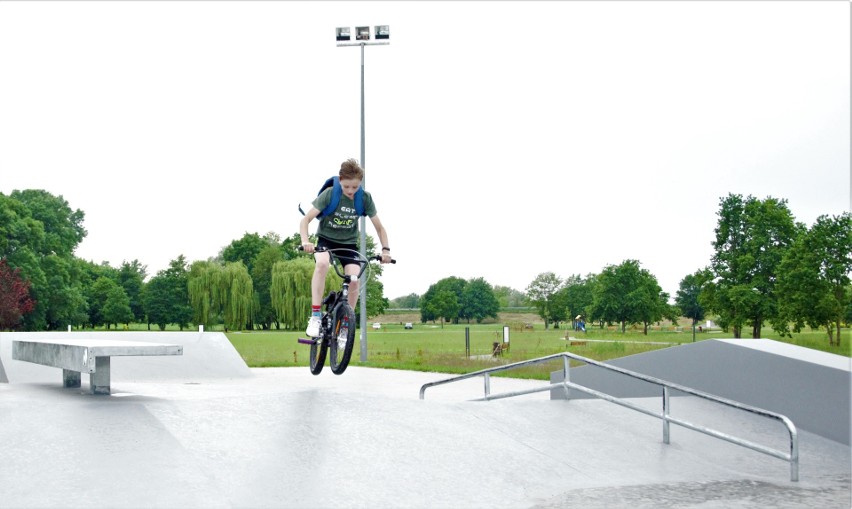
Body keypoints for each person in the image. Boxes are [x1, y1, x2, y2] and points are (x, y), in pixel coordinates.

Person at [299, 158, 392, 337]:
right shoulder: (330, 194)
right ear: (340, 180)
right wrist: (305, 241)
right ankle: (316, 315)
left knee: (355, 279)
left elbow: (379, 227)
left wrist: (385, 250)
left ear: (360, 184)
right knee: (322, 265)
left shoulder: (364, 199)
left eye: (355, 187)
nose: (350, 191)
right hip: (326, 241)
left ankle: (344, 325)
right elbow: (305, 220)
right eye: (346, 187)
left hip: (348, 244)